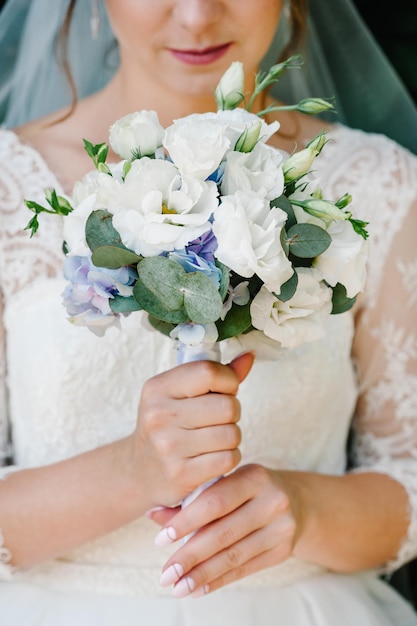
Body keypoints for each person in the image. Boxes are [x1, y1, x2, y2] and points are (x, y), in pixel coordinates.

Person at [0, 1, 417, 624]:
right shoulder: (10, 186)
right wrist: (132, 470)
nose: (196, 16)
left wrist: (304, 510)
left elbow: (407, 477)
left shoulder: (379, 187)